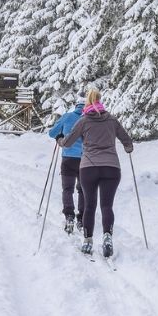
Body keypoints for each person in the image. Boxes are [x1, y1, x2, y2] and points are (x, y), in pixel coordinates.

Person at [59, 89, 133, 258]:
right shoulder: (112, 120)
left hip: (89, 168)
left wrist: (60, 140)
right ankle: (107, 236)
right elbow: (126, 140)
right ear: (100, 101)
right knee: (107, 206)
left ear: (87, 103)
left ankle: (88, 240)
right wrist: (128, 148)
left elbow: (68, 142)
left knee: (90, 206)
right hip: (112, 167)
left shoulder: (83, 121)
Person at [48, 97, 86, 234]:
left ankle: (69, 216)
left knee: (67, 189)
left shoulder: (68, 116)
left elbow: (51, 133)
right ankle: (82, 218)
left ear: (76, 106)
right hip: (85, 160)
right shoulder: (90, 119)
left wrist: (59, 136)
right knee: (83, 190)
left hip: (68, 158)